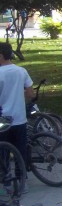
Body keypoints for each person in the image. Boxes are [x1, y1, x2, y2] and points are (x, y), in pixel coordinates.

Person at [0, 42, 34, 193]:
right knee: (20, 149)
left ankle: (6, 180)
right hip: (19, 117)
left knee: (3, 150)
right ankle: (22, 181)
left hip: (2, 119)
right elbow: (30, 93)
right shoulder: (21, 71)